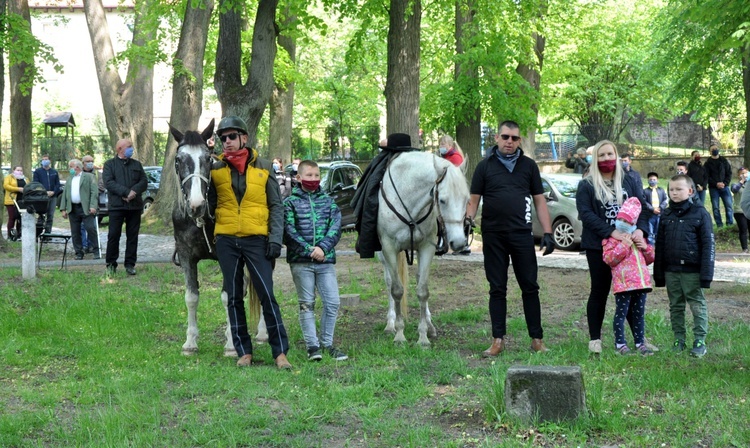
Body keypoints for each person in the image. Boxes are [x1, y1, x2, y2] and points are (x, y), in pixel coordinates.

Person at [465, 120, 555, 356]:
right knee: (497, 288)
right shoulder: (484, 167)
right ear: (497, 138)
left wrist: (547, 232)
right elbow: (473, 200)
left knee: (530, 287)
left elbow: (539, 200)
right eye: (505, 137)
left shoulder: (529, 167)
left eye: (514, 138)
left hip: (521, 235)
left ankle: (537, 339)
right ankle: (498, 340)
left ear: (520, 141)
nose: (509, 142)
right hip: (493, 235)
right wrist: (467, 220)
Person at [208, 115, 292, 370]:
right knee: (234, 297)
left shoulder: (265, 166)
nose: (227, 142)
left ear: (244, 138)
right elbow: (206, 204)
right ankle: (244, 351)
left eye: (232, 136)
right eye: (223, 138)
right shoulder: (215, 169)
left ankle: (280, 353)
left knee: (267, 295)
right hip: (227, 240)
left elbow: (276, 206)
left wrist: (275, 239)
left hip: (257, 239)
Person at [576, 140, 652, 354]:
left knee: (631, 290)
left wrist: (641, 231)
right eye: (601, 155)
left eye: (610, 154)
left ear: (617, 156)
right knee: (599, 291)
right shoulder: (587, 184)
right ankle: (595, 339)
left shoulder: (629, 180)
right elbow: (586, 214)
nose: (606, 159)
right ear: (594, 159)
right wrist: (611, 233)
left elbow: (643, 208)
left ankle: (639, 339)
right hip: (598, 245)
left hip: (629, 247)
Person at [283, 159, 348, 362]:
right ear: (299, 177)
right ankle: (313, 346)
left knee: (332, 302)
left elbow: (335, 228)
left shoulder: (328, 202)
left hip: (325, 261)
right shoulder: (290, 203)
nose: (313, 179)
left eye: (316, 175)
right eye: (309, 175)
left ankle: (327, 343)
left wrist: (323, 248)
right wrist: (309, 250)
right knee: (306, 304)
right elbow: (288, 231)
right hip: (301, 262)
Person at [653, 174, 714, 358]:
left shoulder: (700, 213)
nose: (674, 193)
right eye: (671, 189)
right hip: (671, 270)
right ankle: (679, 339)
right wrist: (659, 274)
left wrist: (706, 275)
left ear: (690, 191)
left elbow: (708, 244)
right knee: (676, 306)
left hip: (692, 271)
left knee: (697, 304)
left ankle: (699, 340)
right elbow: (660, 245)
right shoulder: (666, 214)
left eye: (679, 189)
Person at [602, 197, 655, 356]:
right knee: (621, 313)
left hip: (641, 284)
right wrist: (624, 245)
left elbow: (650, 258)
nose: (622, 222)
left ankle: (640, 343)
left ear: (634, 224)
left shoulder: (639, 238)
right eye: (620, 219)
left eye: (627, 221)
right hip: (624, 284)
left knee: (639, 314)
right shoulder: (611, 240)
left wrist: (645, 247)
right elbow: (610, 259)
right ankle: (620, 344)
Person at [102, 138, 148, 276]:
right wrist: (126, 192)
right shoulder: (110, 164)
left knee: (132, 236)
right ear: (119, 149)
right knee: (114, 236)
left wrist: (133, 192)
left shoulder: (137, 164)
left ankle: (130, 264)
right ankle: (111, 265)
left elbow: (144, 181)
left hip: (134, 207)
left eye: (131, 147)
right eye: (129, 147)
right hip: (117, 206)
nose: (131, 149)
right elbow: (109, 182)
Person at [59, 159, 100, 260]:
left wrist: (93, 206)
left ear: (76, 167)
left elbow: (94, 193)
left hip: (85, 208)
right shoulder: (70, 178)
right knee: (75, 232)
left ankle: (96, 250)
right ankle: (79, 252)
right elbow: (65, 194)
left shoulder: (89, 177)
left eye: (70, 167)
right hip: (73, 208)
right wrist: (63, 209)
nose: (70, 169)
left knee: (90, 228)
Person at [32, 154, 63, 235]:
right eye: (43, 159)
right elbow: (36, 183)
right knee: (41, 214)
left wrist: (53, 192)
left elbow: (57, 184)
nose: (45, 161)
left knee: (50, 215)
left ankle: (48, 232)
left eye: (46, 159)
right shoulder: (38, 172)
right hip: (42, 197)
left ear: (50, 161)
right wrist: (44, 192)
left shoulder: (54, 172)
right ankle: (38, 232)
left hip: (53, 196)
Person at [703, 145, 733, 227]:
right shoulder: (707, 163)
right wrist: (716, 184)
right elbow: (707, 176)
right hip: (713, 188)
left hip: (725, 187)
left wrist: (725, 183)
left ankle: (729, 223)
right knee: (716, 208)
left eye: (716, 149)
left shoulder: (724, 161)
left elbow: (729, 173)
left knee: (729, 206)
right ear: (710, 152)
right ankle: (719, 224)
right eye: (713, 149)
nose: (715, 150)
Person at [80, 154, 103, 253]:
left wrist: (93, 190)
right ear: (83, 163)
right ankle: (84, 245)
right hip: (81, 204)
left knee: (91, 226)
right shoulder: (79, 173)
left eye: (91, 161)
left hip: (93, 203)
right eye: (88, 161)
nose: (90, 163)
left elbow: (101, 186)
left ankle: (91, 245)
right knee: (82, 226)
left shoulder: (98, 174)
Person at [642, 172, 667, 246]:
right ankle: (651, 247)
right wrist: (652, 209)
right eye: (651, 179)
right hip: (650, 215)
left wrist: (660, 208)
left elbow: (665, 200)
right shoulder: (645, 191)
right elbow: (644, 202)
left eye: (654, 179)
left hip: (660, 214)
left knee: (659, 231)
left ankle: (658, 245)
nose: (652, 181)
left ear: (657, 180)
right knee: (650, 231)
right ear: (648, 180)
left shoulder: (661, 190)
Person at [3, 165, 27, 240]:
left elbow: (28, 186)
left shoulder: (25, 178)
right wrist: (18, 189)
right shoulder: (9, 177)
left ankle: (19, 235)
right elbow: (6, 186)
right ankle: (10, 235)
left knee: (20, 217)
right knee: (12, 217)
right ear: (13, 170)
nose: (19, 172)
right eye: (18, 170)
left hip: (22, 200)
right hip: (11, 200)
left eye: (21, 170)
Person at [730, 167, 749, 253]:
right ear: (738, 175)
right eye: (742, 173)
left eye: (746, 173)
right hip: (740, 211)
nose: (745, 175)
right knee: (743, 230)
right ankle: (744, 249)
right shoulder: (735, 184)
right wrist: (742, 181)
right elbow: (734, 190)